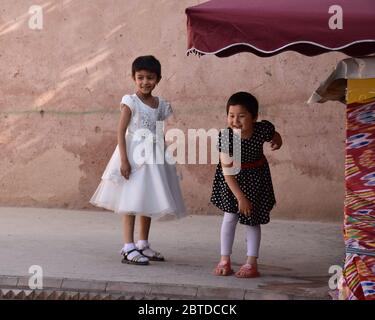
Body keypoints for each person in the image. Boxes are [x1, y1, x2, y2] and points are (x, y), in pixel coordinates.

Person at [90, 55, 186, 265]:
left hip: (153, 156)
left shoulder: (160, 105)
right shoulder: (130, 102)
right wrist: (124, 160)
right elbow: (121, 131)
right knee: (131, 200)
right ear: (133, 78)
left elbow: (160, 133)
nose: (145, 82)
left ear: (158, 79)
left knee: (147, 198)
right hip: (133, 155)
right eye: (140, 77)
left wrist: (166, 158)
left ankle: (143, 243)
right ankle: (128, 246)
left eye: (150, 77)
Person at [210, 91, 282, 278]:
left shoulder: (261, 129)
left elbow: (274, 135)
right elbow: (227, 171)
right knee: (230, 217)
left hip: (256, 178)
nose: (235, 121)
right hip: (231, 179)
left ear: (254, 117)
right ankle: (225, 259)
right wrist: (240, 197)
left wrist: (277, 141)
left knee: (252, 219)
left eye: (241, 116)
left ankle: (251, 263)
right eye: (231, 116)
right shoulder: (226, 137)